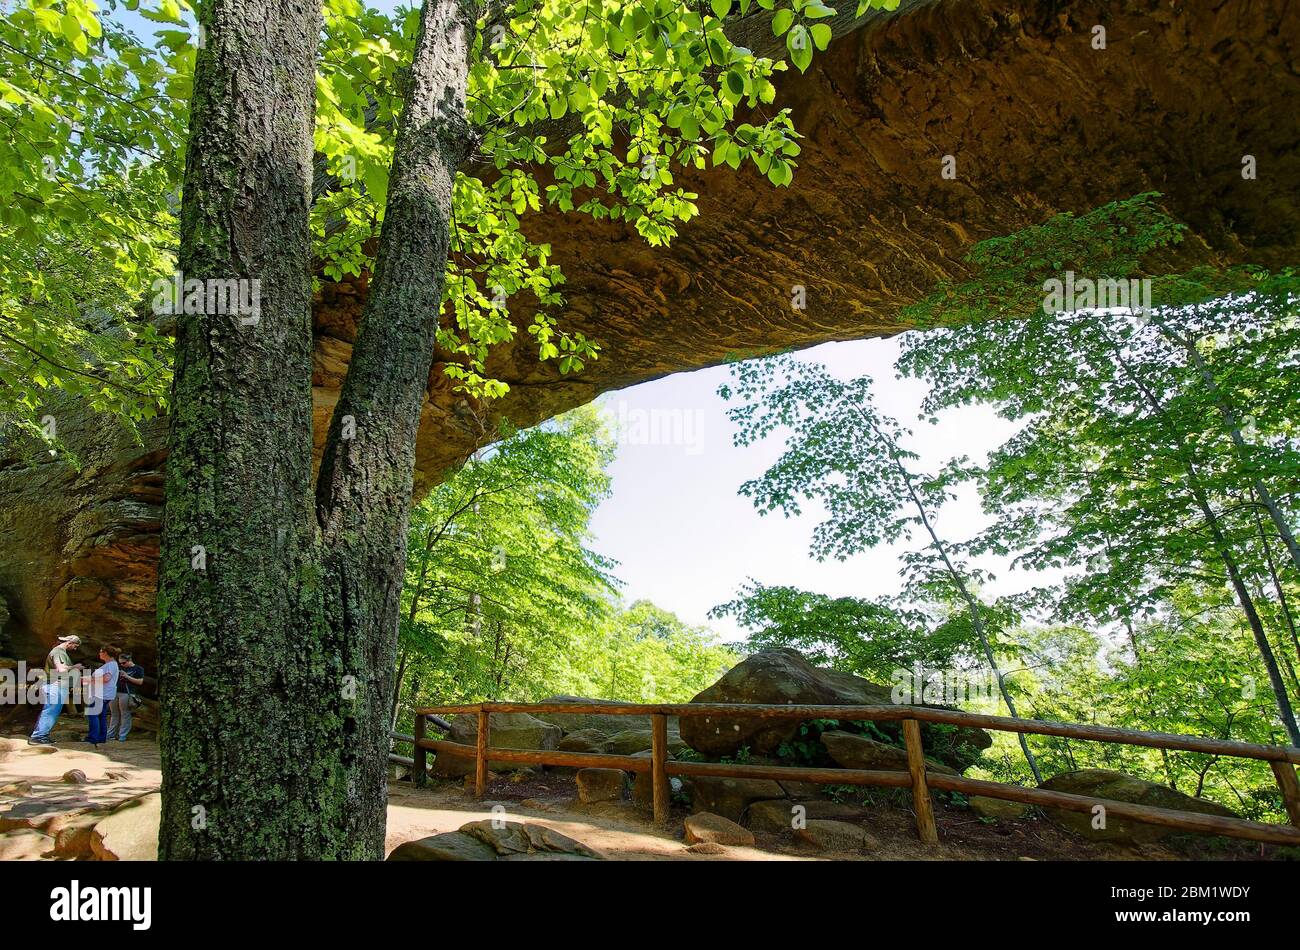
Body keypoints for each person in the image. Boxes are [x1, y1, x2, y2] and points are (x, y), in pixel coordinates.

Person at [29, 635, 84, 745]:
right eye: (75, 646)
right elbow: (61, 669)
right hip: (55, 686)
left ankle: (41, 735)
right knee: (50, 712)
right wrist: (75, 667)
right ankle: (38, 737)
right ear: (70, 643)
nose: (75, 648)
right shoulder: (59, 652)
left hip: (55, 685)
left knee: (49, 711)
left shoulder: (59, 652)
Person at [83, 645, 120, 747]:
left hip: (101, 694)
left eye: (100, 652)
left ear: (106, 653)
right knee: (101, 716)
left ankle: (93, 737)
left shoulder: (111, 665)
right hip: (103, 694)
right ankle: (101, 737)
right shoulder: (110, 664)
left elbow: (106, 679)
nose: (99, 654)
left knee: (93, 714)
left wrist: (88, 680)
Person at [108, 652, 144, 742]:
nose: (122, 665)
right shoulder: (119, 667)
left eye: (123, 663)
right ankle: (111, 734)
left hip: (127, 693)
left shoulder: (138, 669)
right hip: (114, 692)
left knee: (125, 714)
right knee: (114, 714)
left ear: (129, 660)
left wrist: (126, 676)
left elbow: (140, 682)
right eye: (120, 663)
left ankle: (122, 735)